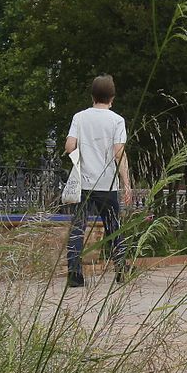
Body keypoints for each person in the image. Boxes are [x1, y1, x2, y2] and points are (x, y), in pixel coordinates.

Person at [64, 74, 133, 287]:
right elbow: (118, 153)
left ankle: (75, 274)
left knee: (78, 227)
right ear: (112, 97)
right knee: (113, 226)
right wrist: (126, 184)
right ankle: (121, 269)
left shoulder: (80, 117)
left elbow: (69, 146)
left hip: (84, 183)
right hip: (107, 183)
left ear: (92, 95)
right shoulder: (117, 120)